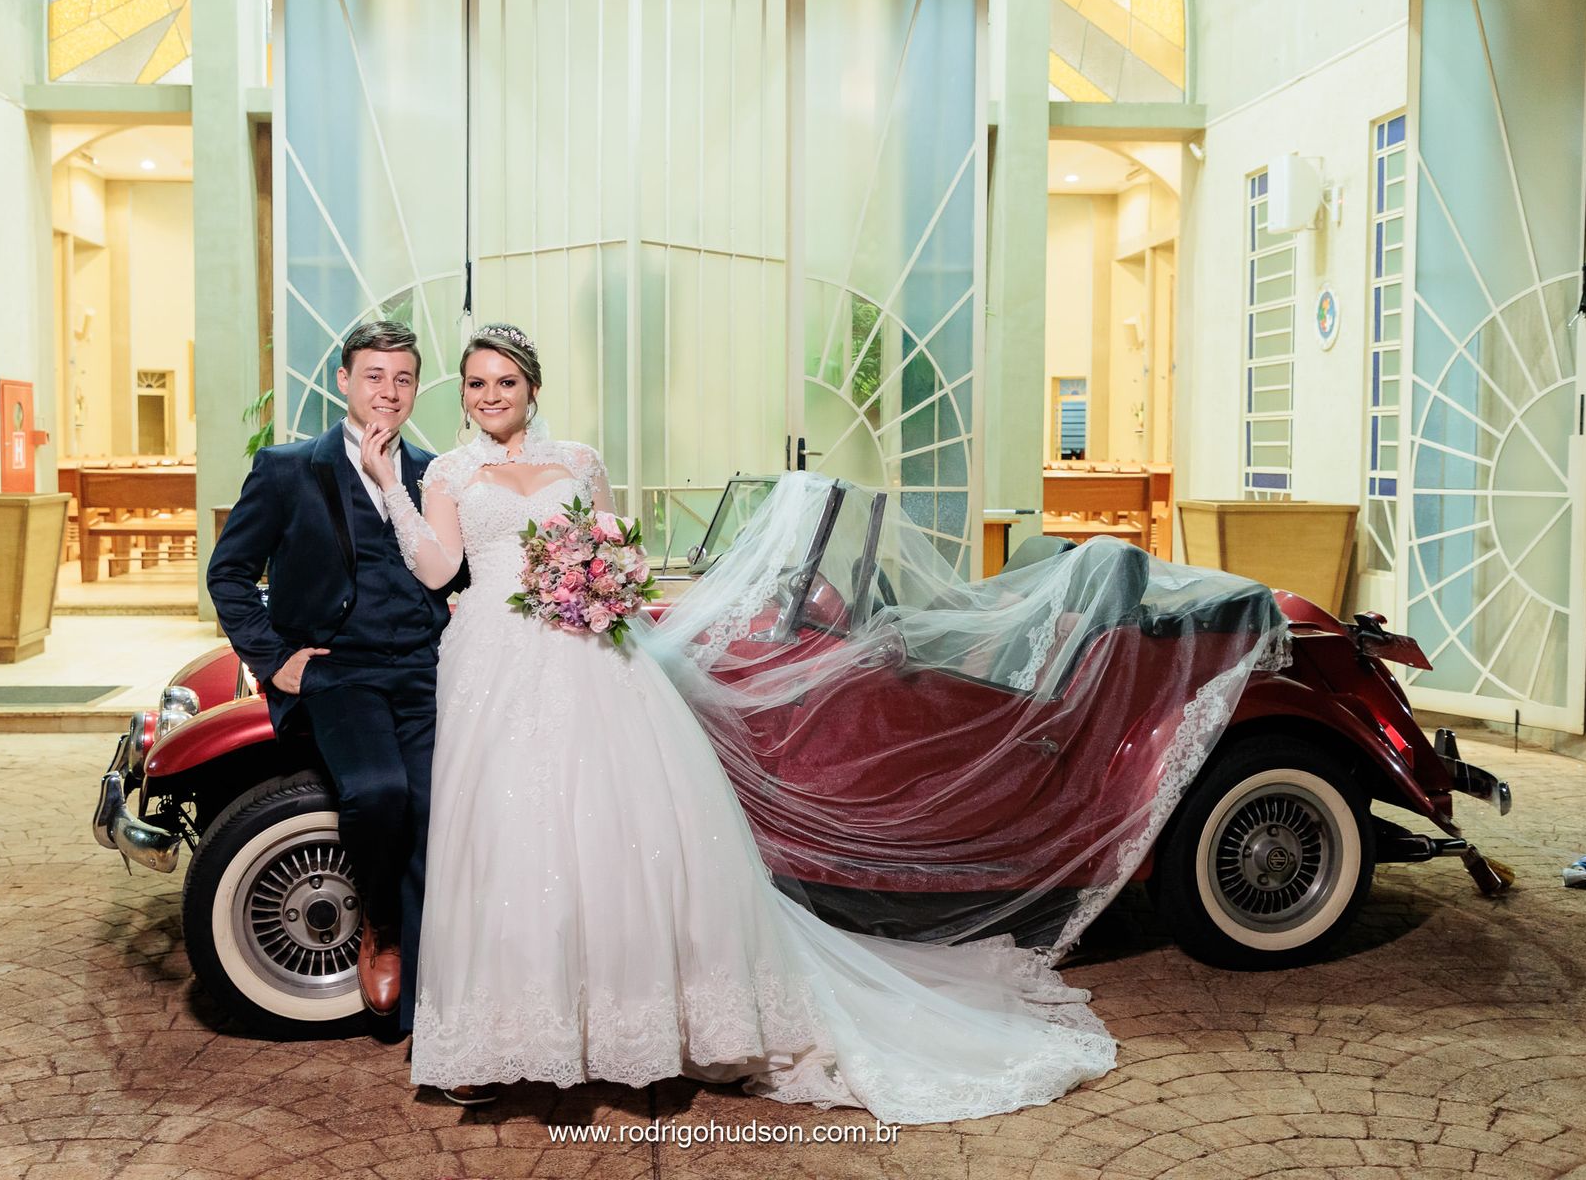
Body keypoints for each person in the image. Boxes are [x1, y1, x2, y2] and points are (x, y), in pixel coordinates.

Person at [359, 324, 1121, 1123]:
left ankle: (637, 1023)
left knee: (615, 831)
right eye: (476, 385)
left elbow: (615, 551)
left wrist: (601, 583)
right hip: (495, 661)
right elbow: (441, 569)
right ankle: (511, 1037)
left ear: (532, 388)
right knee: (510, 837)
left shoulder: (581, 462)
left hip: (588, 653)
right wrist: (387, 480)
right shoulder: (446, 472)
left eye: (505, 383)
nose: (490, 398)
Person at [207, 320, 461, 1025]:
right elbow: (228, 573)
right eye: (374, 376)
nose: (389, 390)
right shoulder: (288, 469)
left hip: (423, 668)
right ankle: (379, 926)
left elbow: (454, 573)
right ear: (343, 381)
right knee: (379, 792)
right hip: (335, 673)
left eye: (403, 378)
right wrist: (274, 658)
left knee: (438, 808)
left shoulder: (435, 473)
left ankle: (428, 1001)